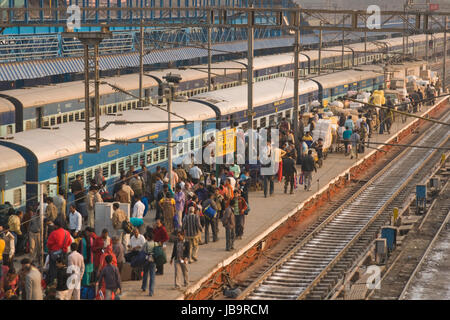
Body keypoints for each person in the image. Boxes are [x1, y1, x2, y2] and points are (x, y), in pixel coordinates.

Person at [46, 220, 72, 285]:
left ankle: (53, 284)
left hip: (54, 254)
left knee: (53, 270)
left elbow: (49, 244)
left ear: (56, 225)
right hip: (64, 253)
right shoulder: (67, 233)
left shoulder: (54, 233)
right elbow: (70, 242)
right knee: (63, 269)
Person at [141, 231, 156, 296]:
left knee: (145, 274)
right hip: (153, 260)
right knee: (152, 276)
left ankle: (144, 287)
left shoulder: (146, 244)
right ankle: (151, 291)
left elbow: (142, 251)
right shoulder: (155, 243)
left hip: (147, 260)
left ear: (148, 237)